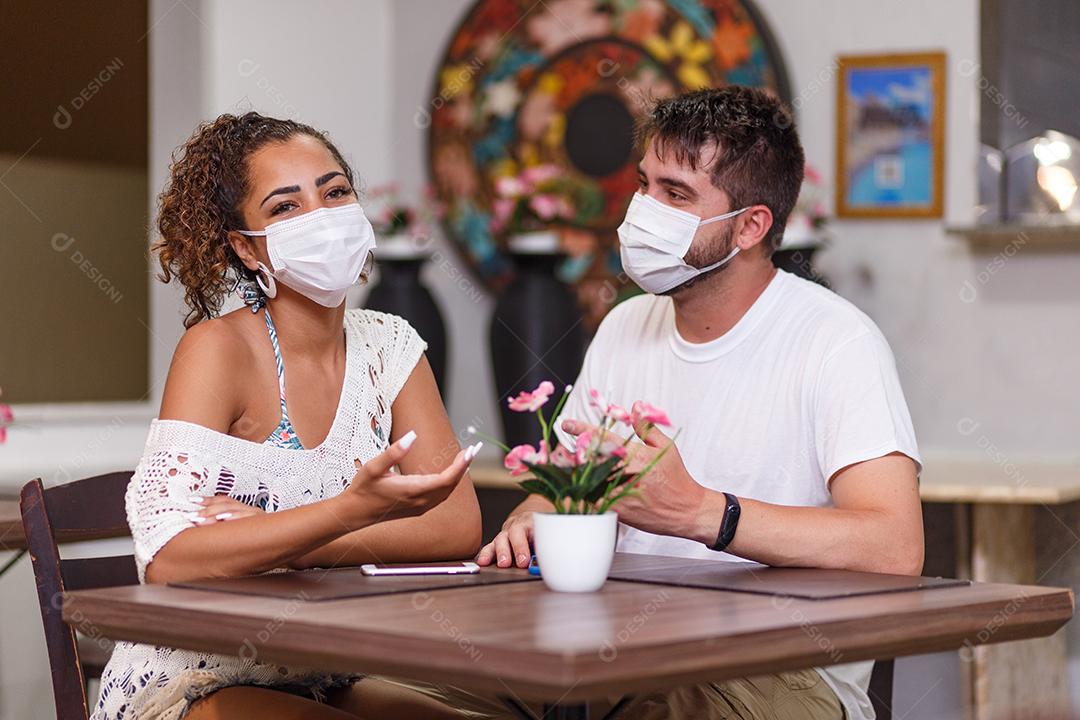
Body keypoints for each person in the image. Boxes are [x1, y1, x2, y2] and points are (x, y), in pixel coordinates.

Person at [476, 86, 924, 720]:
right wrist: (533, 515)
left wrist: (705, 514)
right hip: (619, 654)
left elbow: (895, 548)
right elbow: (568, 486)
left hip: (776, 673)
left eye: (676, 195)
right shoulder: (626, 326)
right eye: (644, 184)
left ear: (750, 226)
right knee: (414, 694)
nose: (642, 212)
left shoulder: (836, 341)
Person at [92, 112, 482, 720]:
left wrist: (296, 541)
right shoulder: (219, 348)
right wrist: (347, 514)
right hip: (194, 679)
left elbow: (454, 525)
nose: (322, 218)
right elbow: (169, 559)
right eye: (285, 207)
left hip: (322, 670)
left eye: (334, 193)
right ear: (246, 248)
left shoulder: (390, 345)